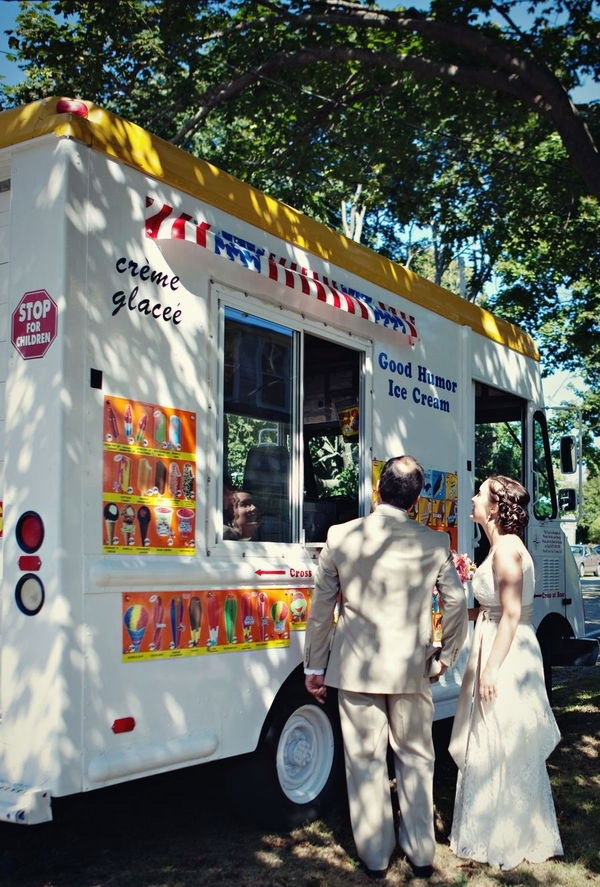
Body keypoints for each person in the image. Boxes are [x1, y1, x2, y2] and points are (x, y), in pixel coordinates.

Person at [304, 456, 468, 879]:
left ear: (378, 488)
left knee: (364, 759)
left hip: (356, 668)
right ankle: (421, 853)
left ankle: (375, 856)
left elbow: (322, 608)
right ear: (415, 498)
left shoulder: (341, 536)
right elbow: (455, 602)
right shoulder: (434, 543)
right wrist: (446, 654)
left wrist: (314, 665)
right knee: (416, 757)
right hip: (413, 669)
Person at [449, 476, 563, 870]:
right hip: (495, 638)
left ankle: (508, 835)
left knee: (502, 735)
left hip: (508, 651)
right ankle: (497, 827)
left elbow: (512, 613)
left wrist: (491, 670)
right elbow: (491, 609)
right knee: (491, 736)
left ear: (495, 508)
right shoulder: (497, 547)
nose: (474, 498)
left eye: (480, 494)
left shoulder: (507, 552)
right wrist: (451, 617)